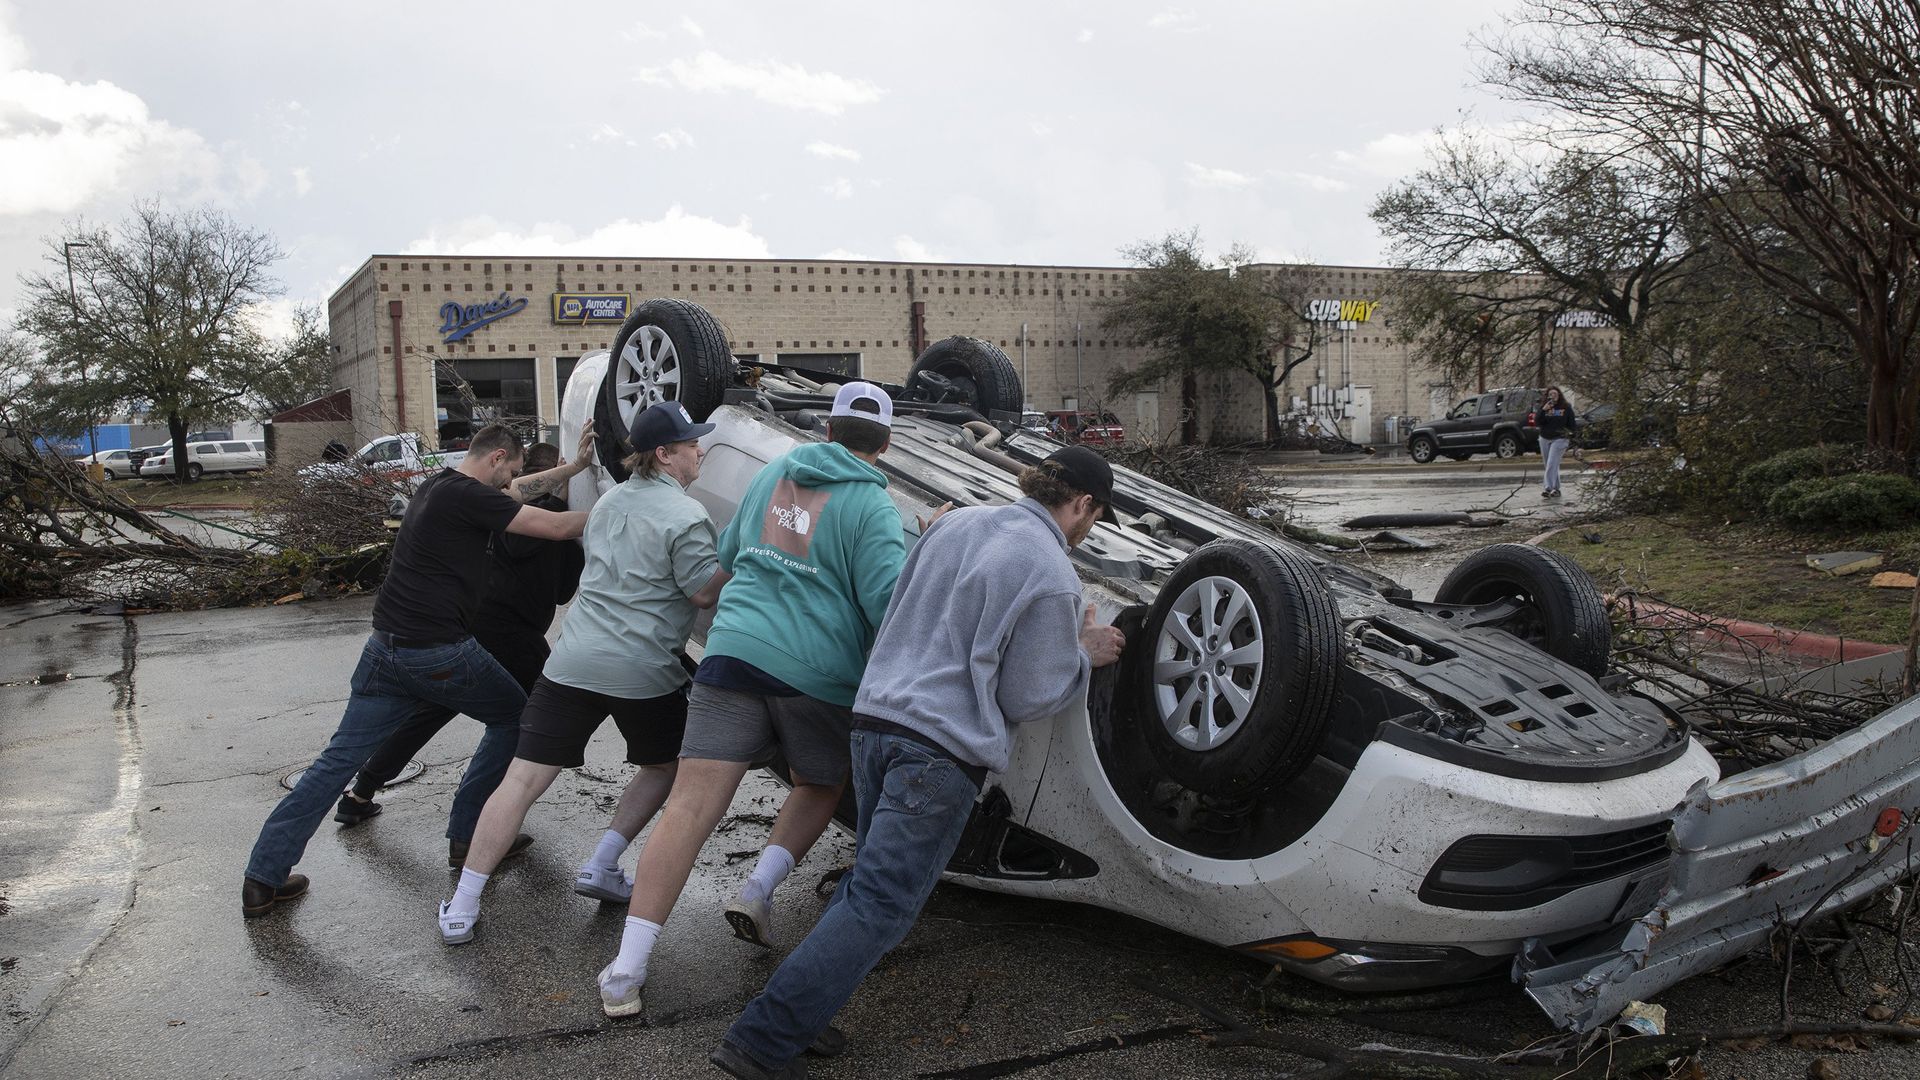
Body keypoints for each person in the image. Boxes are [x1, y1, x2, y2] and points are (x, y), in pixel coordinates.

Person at [710, 446, 1126, 1080]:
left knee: (865, 888)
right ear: (1083, 505)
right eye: (1095, 517)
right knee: (882, 902)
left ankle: (804, 1012)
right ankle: (762, 1040)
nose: (1088, 529)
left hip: (875, 724)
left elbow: (896, 611)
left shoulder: (956, 525)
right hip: (938, 750)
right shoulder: (1051, 571)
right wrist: (1081, 654)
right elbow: (1028, 693)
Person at [596, 382, 910, 1019]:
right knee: (820, 782)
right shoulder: (873, 508)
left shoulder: (773, 478)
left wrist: (733, 591)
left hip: (732, 654)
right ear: (885, 444)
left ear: (826, 430)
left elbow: (733, 555)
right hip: (815, 676)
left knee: (686, 809)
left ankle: (625, 970)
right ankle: (759, 888)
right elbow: (888, 606)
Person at [241, 423, 590, 919]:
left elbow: (518, 490)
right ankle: (468, 837)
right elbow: (556, 528)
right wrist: (630, 510)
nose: (513, 479)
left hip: (383, 648)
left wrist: (573, 469)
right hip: (438, 651)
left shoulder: (438, 485)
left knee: (334, 763)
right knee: (517, 718)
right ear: (495, 458)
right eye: (510, 468)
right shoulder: (472, 498)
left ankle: (262, 878)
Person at [437, 403, 731, 944]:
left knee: (521, 780)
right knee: (665, 766)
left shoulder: (608, 501)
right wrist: (736, 554)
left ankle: (462, 902)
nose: (700, 450)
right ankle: (603, 860)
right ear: (664, 455)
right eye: (691, 443)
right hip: (644, 669)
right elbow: (702, 592)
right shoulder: (686, 517)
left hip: (571, 662)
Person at [335, 442, 587, 828]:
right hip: (519, 635)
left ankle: (361, 791)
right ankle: (486, 818)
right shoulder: (555, 528)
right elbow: (563, 592)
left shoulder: (494, 506)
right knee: (540, 715)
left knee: (432, 709)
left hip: (470, 626)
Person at [1536, 387, 1577, 499]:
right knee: (1550, 465)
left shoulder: (1566, 407)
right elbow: (1537, 422)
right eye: (1550, 394)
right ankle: (1556, 489)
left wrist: (1572, 438)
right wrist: (1543, 410)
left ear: (1559, 395)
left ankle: (1548, 488)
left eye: (1555, 394)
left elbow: (1572, 424)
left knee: (1551, 463)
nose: (1553, 396)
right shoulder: (1544, 407)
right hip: (1544, 438)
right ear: (1547, 396)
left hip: (1560, 439)